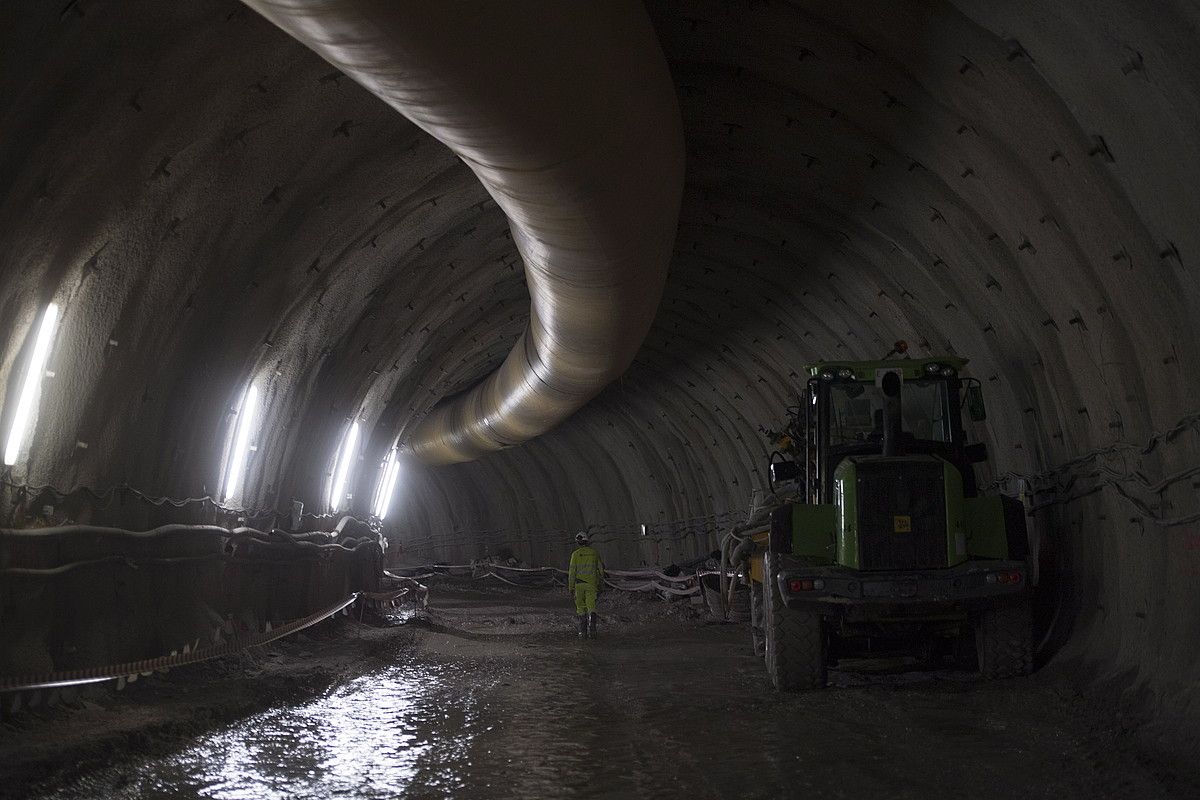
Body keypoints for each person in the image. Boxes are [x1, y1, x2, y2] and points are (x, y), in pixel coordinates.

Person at [567, 531, 605, 639]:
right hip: (592, 585)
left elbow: (572, 572)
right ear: (587, 541)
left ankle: (582, 632)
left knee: (580, 608)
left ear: (578, 542)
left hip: (579, 586)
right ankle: (592, 631)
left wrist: (571, 587)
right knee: (591, 607)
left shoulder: (575, 555)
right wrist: (601, 584)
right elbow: (601, 570)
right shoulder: (594, 553)